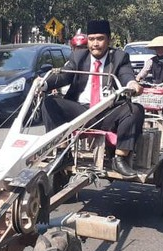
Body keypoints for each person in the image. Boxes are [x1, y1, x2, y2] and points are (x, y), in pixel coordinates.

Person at [40, 19, 144, 177]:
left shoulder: (119, 57)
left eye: (100, 39)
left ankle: (120, 158)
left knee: (135, 110)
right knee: (49, 102)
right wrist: (44, 83)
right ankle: (62, 153)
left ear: (109, 40)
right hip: (80, 112)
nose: (95, 44)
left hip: (107, 112)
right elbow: (64, 75)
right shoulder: (78, 56)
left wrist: (132, 84)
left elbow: (126, 75)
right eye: (92, 39)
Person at [135, 36, 163, 125]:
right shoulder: (152, 60)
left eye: (161, 48)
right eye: (157, 48)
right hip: (156, 89)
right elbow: (144, 71)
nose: (159, 50)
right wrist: (138, 78)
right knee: (147, 108)